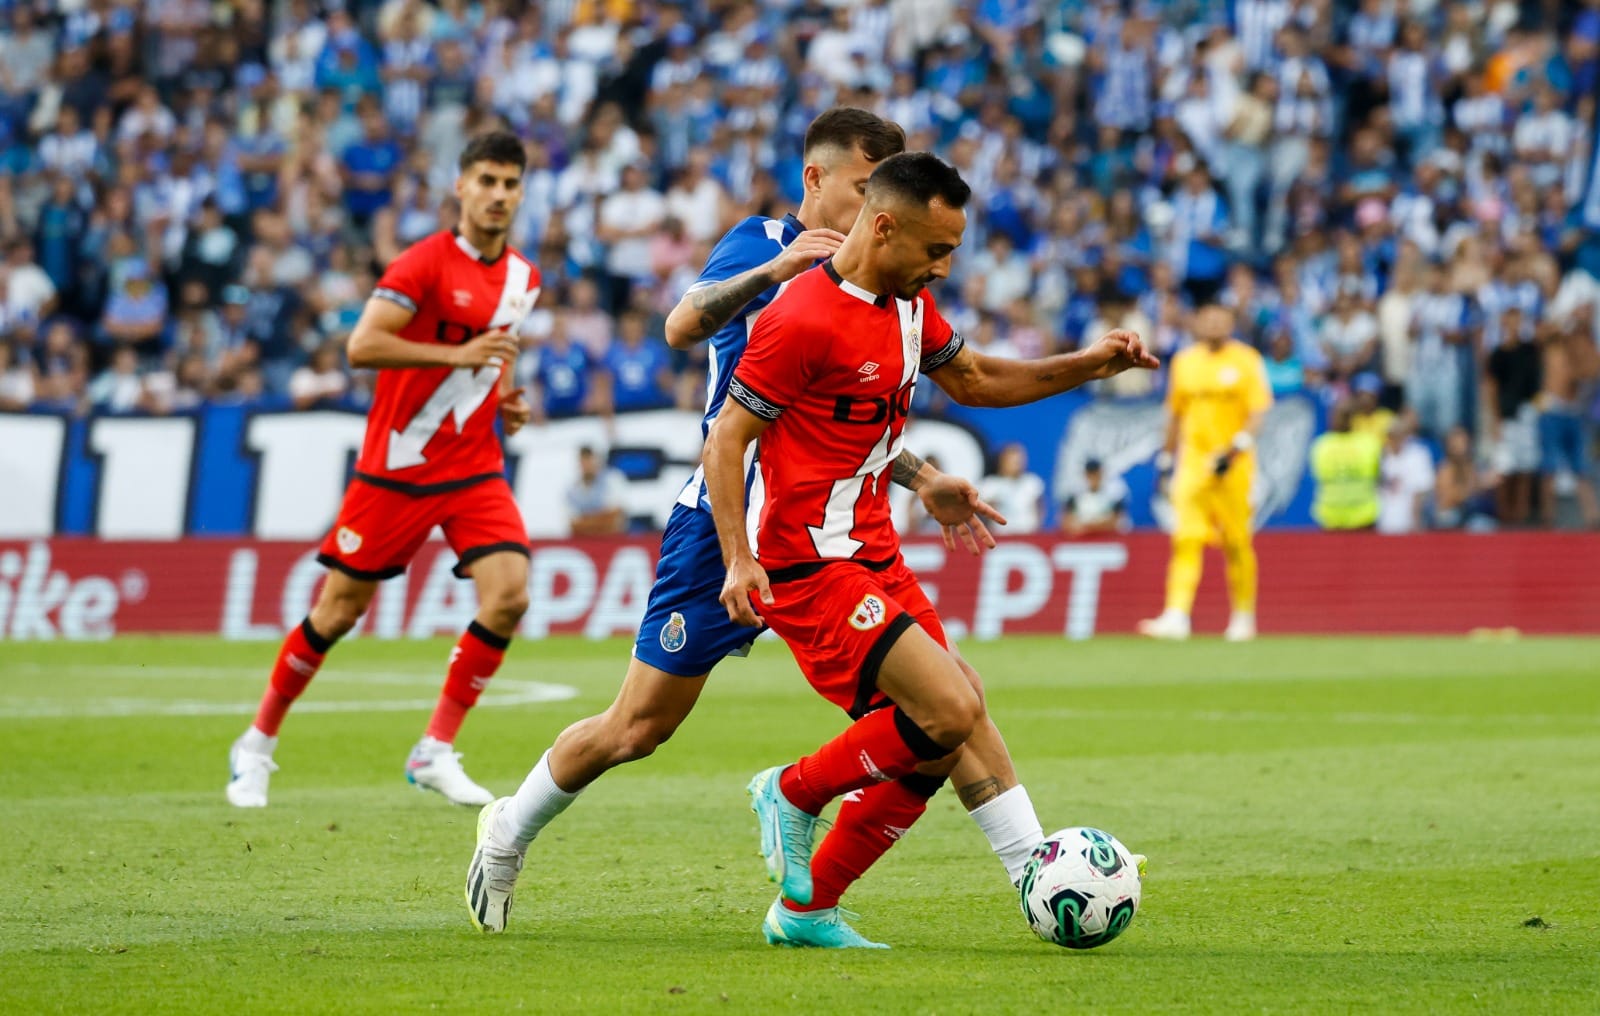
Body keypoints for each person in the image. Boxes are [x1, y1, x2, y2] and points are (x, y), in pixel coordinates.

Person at [465, 110, 1025, 941]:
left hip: (820, 537)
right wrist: (772, 271)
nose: (879, 204)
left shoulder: (882, 292)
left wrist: (922, 474)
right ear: (817, 181)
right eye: (866, 185)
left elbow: (841, 416)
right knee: (637, 729)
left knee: (939, 713)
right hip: (722, 530)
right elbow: (682, 325)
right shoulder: (764, 241)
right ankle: (508, 828)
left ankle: (1008, 872)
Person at [703, 151, 1156, 948]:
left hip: (874, 548)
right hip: (810, 562)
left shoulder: (909, 305)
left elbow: (977, 379)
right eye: (935, 250)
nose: (945, 268)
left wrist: (1091, 363)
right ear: (882, 227)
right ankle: (793, 791)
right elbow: (728, 438)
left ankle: (808, 911)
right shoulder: (799, 316)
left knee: (950, 718)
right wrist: (738, 558)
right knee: (945, 708)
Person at [225, 132, 539, 809]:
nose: (498, 195)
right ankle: (256, 744)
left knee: (510, 594)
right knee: (337, 613)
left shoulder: (523, 278)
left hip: (474, 468)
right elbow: (361, 345)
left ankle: (435, 748)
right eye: (486, 181)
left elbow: (495, 348)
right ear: (460, 187)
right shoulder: (423, 264)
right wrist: (457, 360)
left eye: (510, 184)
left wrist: (502, 395)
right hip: (396, 471)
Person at [1138, 304, 1271, 643]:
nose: (1213, 323)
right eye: (1207, 317)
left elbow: (1257, 412)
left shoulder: (1247, 360)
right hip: (1194, 463)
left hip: (1234, 464)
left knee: (1237, 540)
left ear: (1230, 322)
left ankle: (1243, 617)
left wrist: (1236, 448)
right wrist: (1166, 460)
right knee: (1186, 539)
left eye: (1220, 318)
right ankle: (1177, 615)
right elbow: (1174, 415)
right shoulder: (1184, 362)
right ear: (1197, 322)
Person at [1308, 401, 1382, 530]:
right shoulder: (1368, 443)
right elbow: (1378, 475)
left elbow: (1318, 475)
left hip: (1334, 516)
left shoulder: (1322, 445)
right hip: (1361, 515)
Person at [1375, 412, 1434, 534]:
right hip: (1384, 524)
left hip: (1408, 525)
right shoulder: (1381, 456)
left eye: (1398, 435)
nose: (1394, 440)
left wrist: (1416, 524)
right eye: (1391, 436)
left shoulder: (1417, 455)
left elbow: (1421, 491)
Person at [978, 443, 1047, 533]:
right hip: (1001, 535)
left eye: (1019, 460)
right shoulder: (989, 484)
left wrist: (1037, 526)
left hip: (1028, 534)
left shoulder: (1032, 482)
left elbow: (1039, 507)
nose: (1017, 464)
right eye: (1012, 461)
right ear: (1002, 461)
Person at [566, 445, 627, 536]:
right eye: (583, 461)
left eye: (589, 460)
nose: (586, 465)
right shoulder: (572, 489)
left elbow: (615, 517)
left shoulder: (612, 479)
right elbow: (572, 524)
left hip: (611, 540)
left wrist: (586, 522)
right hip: (584, 543)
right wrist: (599, 520)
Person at [1060, 459, 1130, 535]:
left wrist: (1087, 527)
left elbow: (1116, 521)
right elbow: (1066, 521)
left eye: (1096, 474)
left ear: (1101, 473)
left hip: (1109, 540)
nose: (1093, 478)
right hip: (1082, 542)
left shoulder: (1115, 492)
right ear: (1085, 475)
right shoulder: (1075, 493)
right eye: (1090, 474)